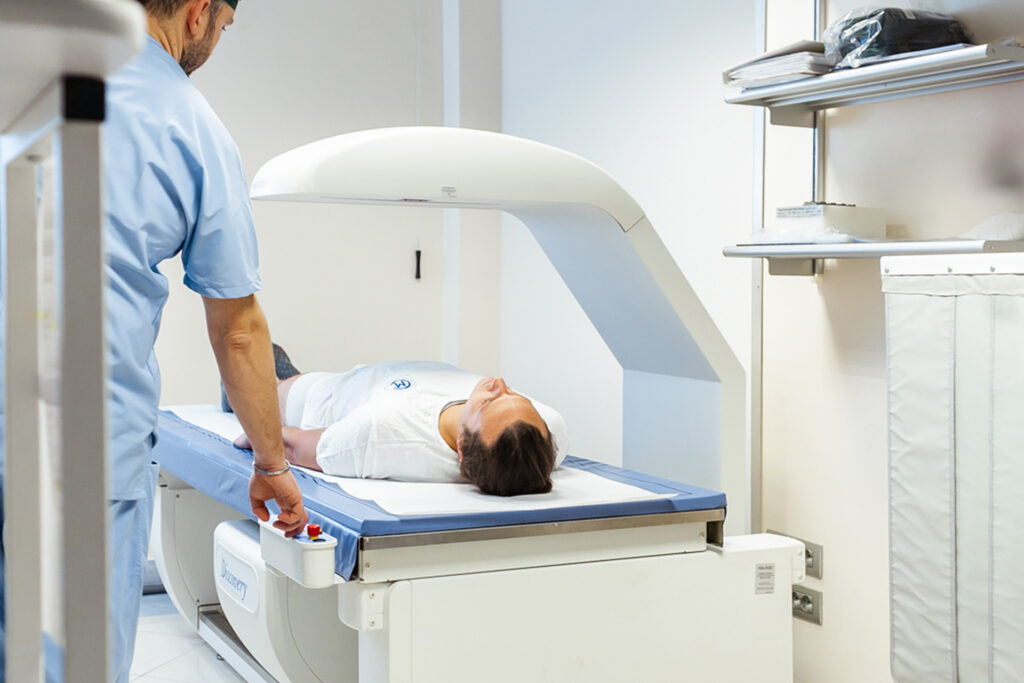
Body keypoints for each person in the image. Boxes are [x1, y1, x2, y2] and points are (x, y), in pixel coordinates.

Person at [0, 1, 309, 680]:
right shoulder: (192, 128)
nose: (218, 40)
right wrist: (272, 464)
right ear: (198, 14)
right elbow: (238, 330)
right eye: (224, 27)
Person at [232, 359, 570, 496]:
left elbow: (290, 445)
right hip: (390, 375)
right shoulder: (549, 427)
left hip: (319, 393)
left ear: (462, 447)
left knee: (255, 382)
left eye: (489, 401)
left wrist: (255, 431)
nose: (499, 383)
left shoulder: (382, 435)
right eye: (515, 396)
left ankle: (272, 369)